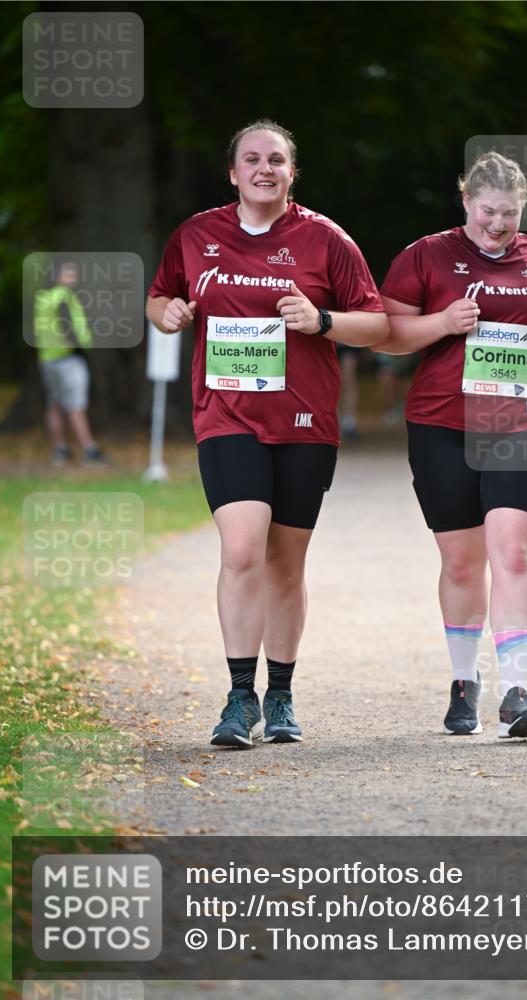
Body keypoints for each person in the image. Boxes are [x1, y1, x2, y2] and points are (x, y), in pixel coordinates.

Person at [146, 120, 388, 748]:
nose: (263, 169)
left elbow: (378, 325)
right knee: (241, 550)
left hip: (305, 421)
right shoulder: (196, 235)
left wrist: (322, 319)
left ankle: (280, 695)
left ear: (290, 173)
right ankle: (238, 697)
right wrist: (166, 314)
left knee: (285, 565)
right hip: (226, 415)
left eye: (276, 160)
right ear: (233, 173)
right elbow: (160, 297)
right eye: (251, 159)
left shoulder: (325, 239)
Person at [378, 151, 527, 738]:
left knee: (515, 552)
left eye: (510, 214)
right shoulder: (426, 255)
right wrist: (443, 324)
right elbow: (390, 336)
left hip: (523, 422)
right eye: (488, 212)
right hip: (443, 423)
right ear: (466, 202)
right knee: (461, 559)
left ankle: (517, 689)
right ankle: (462, 681)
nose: (498, 225)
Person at [35, 262, 106, 466]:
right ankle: (89, 449)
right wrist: (79, 345)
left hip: (47, 357)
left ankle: (60, 450)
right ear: (57, 276)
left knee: (55, 404)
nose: (72, 278)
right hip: (68, 357)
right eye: (67, 273)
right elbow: (68, 323)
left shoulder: (43, 298)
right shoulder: (64, 296)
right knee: (76, 405)